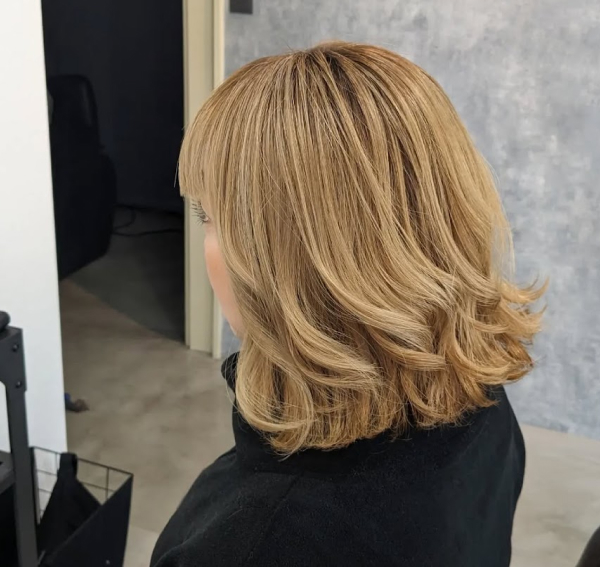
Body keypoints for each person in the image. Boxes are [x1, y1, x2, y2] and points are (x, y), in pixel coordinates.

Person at [151, 42, 545, 567]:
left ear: (297, 263)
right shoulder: (479, 399)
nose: (207, 245)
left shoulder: (255, 543)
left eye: (211, 217)